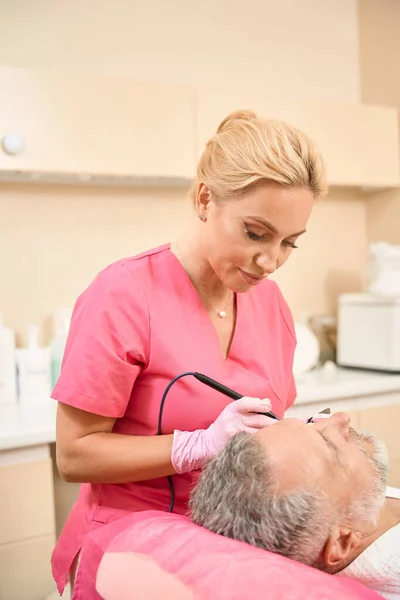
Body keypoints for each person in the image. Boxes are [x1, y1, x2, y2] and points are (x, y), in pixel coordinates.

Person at [51, 109, 327, 597]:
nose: (271, 262)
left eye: (290, 244)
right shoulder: (126, 292)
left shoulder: (270, 303)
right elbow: (75, 455)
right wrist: (196, 445)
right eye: (255, 233)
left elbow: (262, 420)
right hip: (131, 540)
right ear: (205, 199)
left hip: (229, 537)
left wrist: (296, 438)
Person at [190, 413, 400, 600]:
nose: (340, 418)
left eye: (308, 423)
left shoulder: (359, 507)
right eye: (332, 447)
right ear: (341, 541)